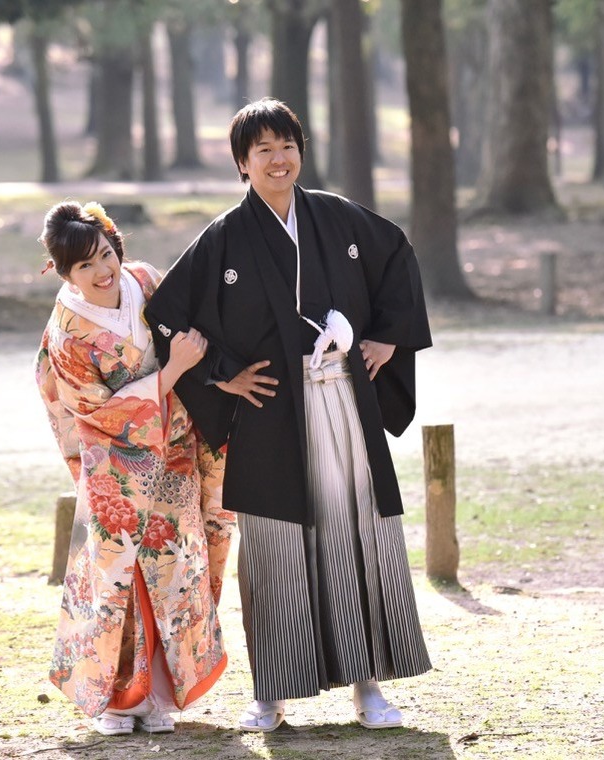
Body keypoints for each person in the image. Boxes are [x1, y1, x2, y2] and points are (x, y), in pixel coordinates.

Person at [144, 98, 433, 732]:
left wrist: (386, 336)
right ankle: (269, 695)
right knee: (273, 550)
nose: (279, 159)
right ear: (242, 164)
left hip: (343, 399)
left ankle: (368, 687)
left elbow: (398, 256)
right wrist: (223, 373)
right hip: (273, 412)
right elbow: (167, 312)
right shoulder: (224, 237)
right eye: (263, 150)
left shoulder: (337, 218)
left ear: (301, 151)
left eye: (287, 145)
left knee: (357, 531)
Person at [35, 200, 234, 736]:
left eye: (105, 256)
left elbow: (197, 327)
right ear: (63, 272)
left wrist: (201, 373)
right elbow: (95, 410)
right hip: (115, 462)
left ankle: (160, 694)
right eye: (84, 267)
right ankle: (116, 699)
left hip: (173, 451)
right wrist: (172, 372)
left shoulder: (145, 280)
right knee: (117, 579)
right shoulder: (68, 333)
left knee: (176, 566)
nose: (101, 273)